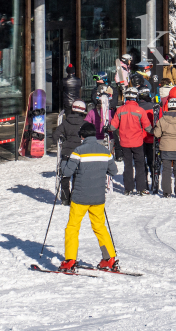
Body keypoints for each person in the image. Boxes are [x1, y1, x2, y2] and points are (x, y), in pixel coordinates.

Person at [58, 122, 119, 273]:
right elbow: (114, 171)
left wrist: (64, 160)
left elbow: (66, 172)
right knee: (99, 227)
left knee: (72, 228)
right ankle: (109, 258)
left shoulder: (78, 151)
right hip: (98, 198)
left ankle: (70, 260)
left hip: (79, 197)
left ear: (82, 136)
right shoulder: (105, 152)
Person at [108, 88, 152, 196]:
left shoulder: (120, 110)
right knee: (140, 165)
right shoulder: (140, 110)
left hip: (124, 143)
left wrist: (107, 128)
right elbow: (147, 127)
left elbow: (113, 127)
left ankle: (128, 189)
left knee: (127, 165)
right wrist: (155, 131)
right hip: (138, 142)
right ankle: (141, 188)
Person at [50, 100, 88, 204]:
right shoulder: (85, 124)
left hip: (66, 153)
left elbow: (55, 135)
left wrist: (59, 140)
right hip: (80, 154)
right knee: (77, 176)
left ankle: (65, 199)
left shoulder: (65, 122)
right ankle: (74, 199)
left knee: (65, 176)